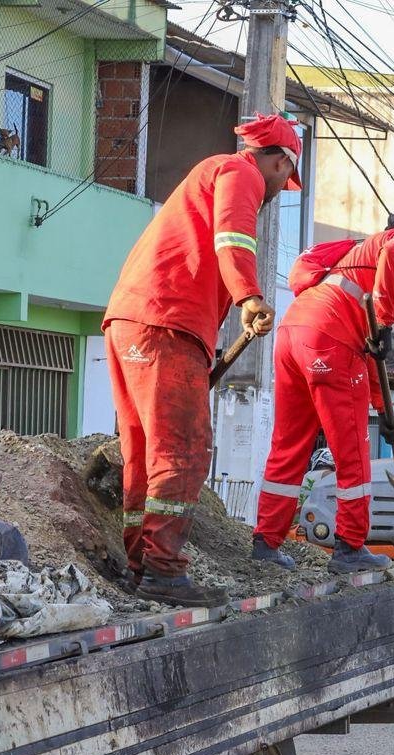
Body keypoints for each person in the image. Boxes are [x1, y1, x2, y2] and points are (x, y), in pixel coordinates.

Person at [103, 114, 300, 607]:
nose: (279, 188)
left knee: (146, 452)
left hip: (131, 319)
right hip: (168, 322)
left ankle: (141, 564)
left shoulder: (208, 174)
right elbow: (234, 238)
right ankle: (164, 572)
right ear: (279, 161)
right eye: (284, 177)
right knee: (184, 448)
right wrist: (249, 298)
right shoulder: (241, 173)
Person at [251, 207, 394, 574]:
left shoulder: (361, 258)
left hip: (294, 330)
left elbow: (369, 353)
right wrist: (387, 320)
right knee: (353, 453)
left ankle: (265, 542)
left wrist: (385, 411)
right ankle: (350, 547)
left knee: (289, 445)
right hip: (331, 340)